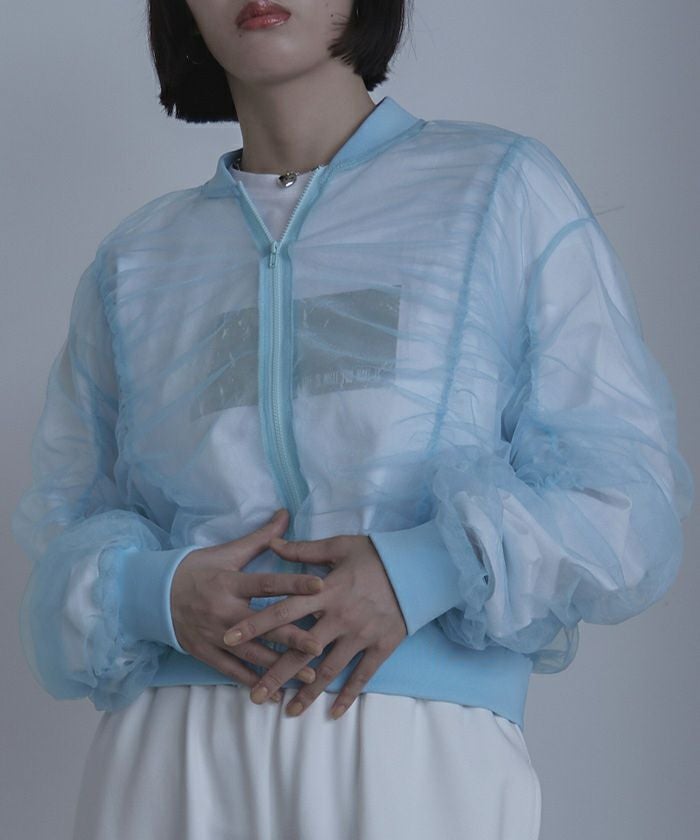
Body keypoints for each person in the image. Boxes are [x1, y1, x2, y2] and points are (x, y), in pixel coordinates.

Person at [12, 1, 694, 838]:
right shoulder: (137, 261)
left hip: (414, 760)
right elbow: (61, 539)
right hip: (168, 763)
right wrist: (153, 594)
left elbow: (624, 501)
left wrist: (423, 571)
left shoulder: (495, 192)